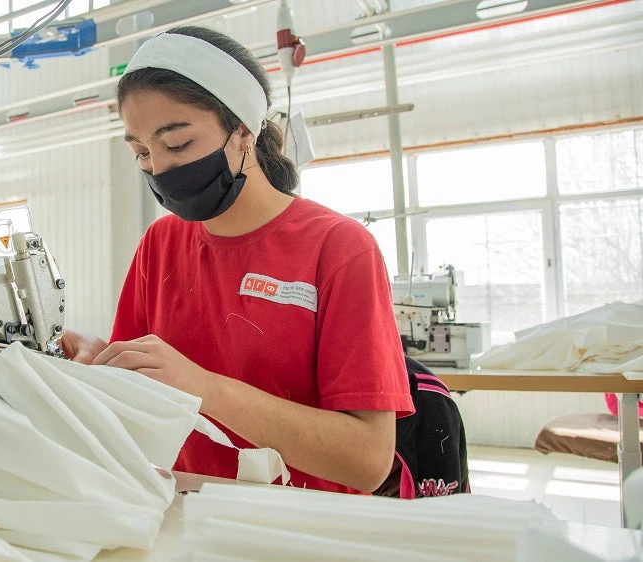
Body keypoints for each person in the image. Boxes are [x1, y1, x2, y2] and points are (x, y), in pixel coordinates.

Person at [60, 26, 413, 494]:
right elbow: (138, 404)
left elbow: (367, 461)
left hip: (302, 525)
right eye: (141, 153)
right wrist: (97, 365)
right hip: (186, 516)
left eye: (178, 144)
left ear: (244, 128)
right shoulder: (160, 244)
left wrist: (206, 387)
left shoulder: (338, 247)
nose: (160, 169)